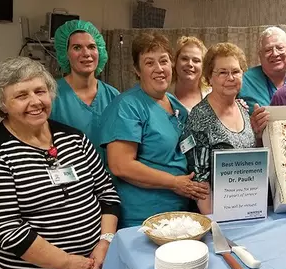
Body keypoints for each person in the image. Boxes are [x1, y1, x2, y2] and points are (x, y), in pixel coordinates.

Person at [0, 57, 120, 269]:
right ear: (2, 103)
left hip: (95, 261)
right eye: (21, 96)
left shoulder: (74, 138)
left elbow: (106, 192)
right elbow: (6, 229)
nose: (35, 102)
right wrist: (67, 263)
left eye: (40, 91)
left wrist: (105, 241)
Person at [100, 32, 209, 228]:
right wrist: (175, 182)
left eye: (164, 61)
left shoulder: (178, 108)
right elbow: (121, 165)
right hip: (142, 217)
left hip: (179, 215)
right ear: (137, 69)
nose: (159, 69)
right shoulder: (127, 106)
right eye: (149, 63)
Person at [183, 43, 256, 215]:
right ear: (209, 78)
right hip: (215, 212)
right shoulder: (199, 116)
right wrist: (215, 221)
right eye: (222, 72)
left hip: (248, 208)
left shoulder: (243, 109)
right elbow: (199, 181)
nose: (230, 78)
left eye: (236, 72)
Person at [50, 20, 119, 161]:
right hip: (72, 178)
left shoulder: (113, 96)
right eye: (77, 47)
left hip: (110, 178)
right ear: (65, 54)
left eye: (92, 47)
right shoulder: (51, 96)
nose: (86, 53)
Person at [239, 26, 286, 114]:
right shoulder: (244, 80)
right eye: (268, 50)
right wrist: (251, 124)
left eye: (280, 48)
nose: (275, 53)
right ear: (260, 55)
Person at [171, 36, 211, 111]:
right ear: (175, 62)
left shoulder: (213, 95)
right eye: (184, 59)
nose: (190, 64)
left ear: (203, 66)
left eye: (196, 60)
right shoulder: (164, 95)